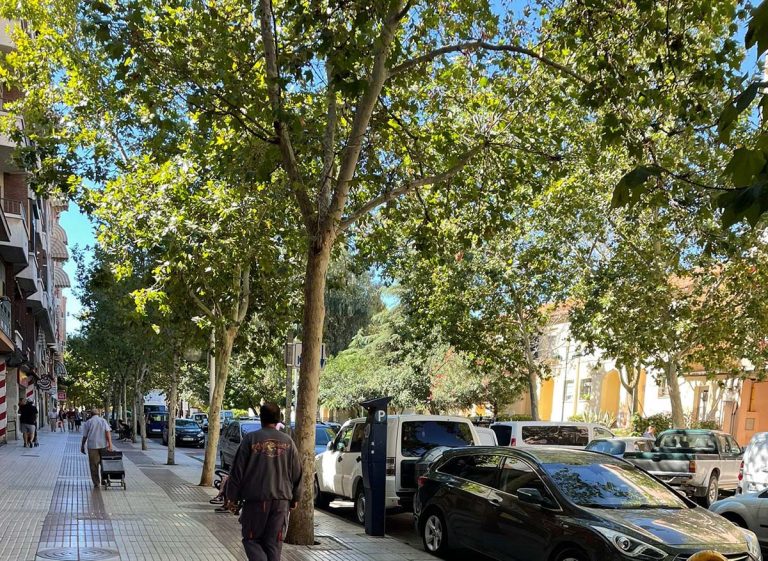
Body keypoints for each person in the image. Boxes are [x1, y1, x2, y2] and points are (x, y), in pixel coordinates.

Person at [226, 402, 302, 561]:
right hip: (281, 502)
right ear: (279, 419)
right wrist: (295, 498)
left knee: (252, 540)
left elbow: (237, 471)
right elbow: (298, 473)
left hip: (256, 501)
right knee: (273, 543)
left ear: (260, 418)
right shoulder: (288, 442)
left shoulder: (250, 439)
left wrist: (231, 497)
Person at [80, 407, 113, 488]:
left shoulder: (88, 422)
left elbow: (85, 436)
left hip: (92, 446)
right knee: (104, 463)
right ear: (98, 414)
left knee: (94, 465)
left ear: (91, 414)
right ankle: (104, 480)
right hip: (103, 445)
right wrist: (110, 444)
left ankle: (96, 482)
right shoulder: (103, 421)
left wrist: (82, 446)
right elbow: (108, 432)